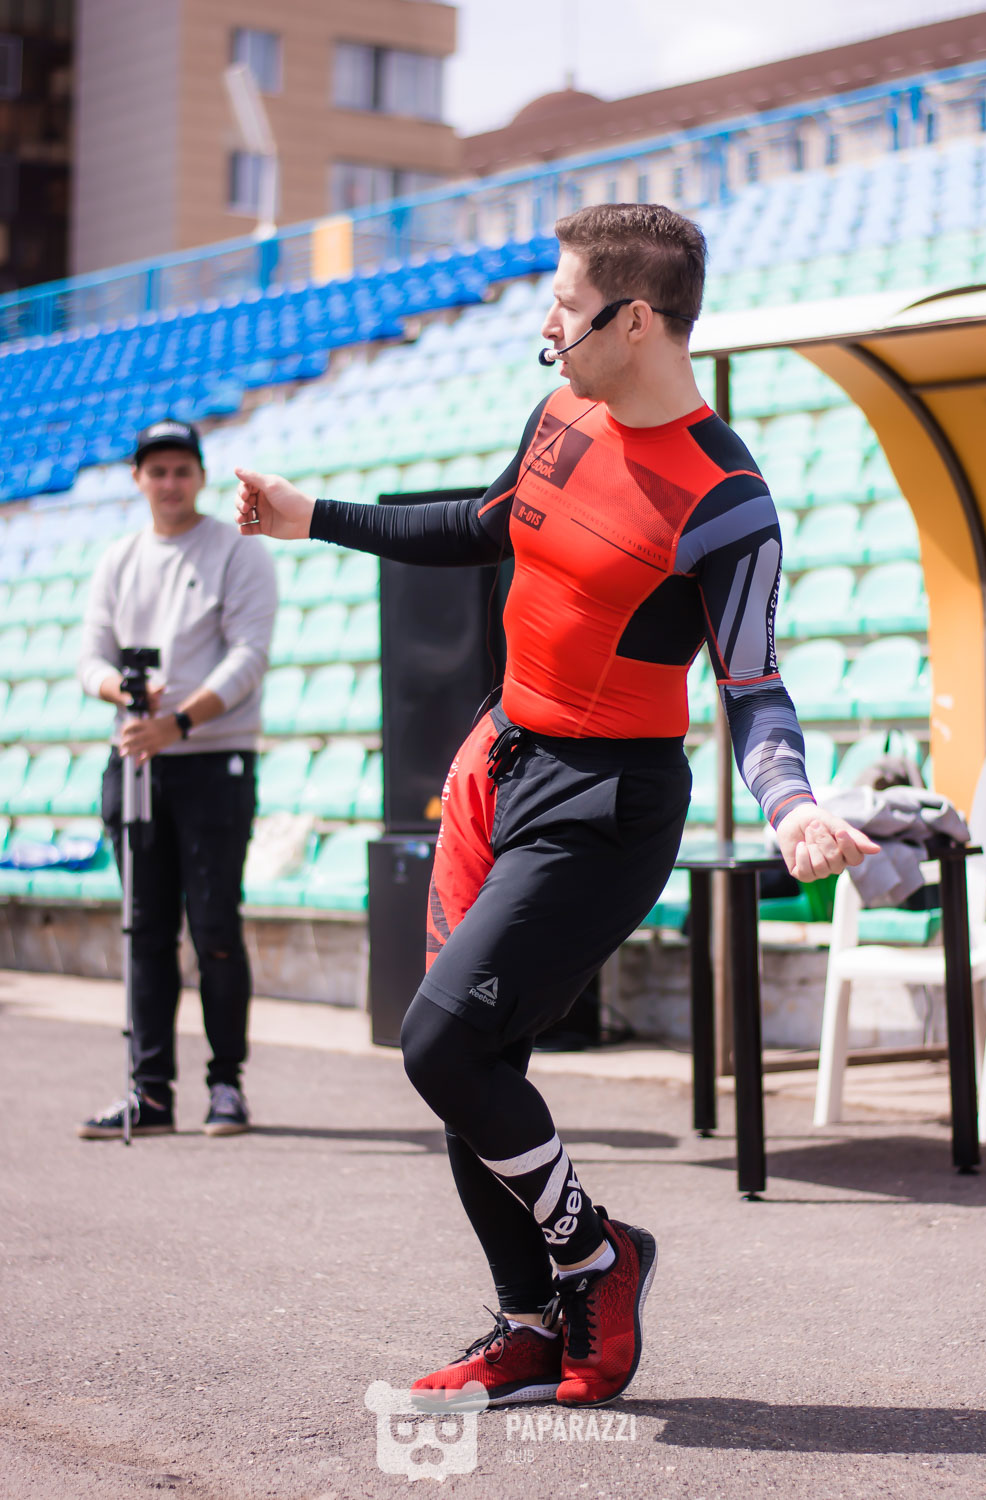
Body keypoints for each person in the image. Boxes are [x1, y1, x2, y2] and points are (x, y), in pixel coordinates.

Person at [233, 204, 877, 1408]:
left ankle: (595, 1258)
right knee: (471, 1065)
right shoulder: (559, 412)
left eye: (566, 304)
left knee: (440, 1042)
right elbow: (481, 527)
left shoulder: (727, 500)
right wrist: (310, 517)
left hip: (606, 805)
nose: (547, 323)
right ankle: (530, 1326)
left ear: (634, 320)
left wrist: (790, 804)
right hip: (502, 762)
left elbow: (752, 685)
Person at [77, 418, 278, 1140]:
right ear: (137, 478)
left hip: (213, 762)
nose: (169, 482)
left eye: (180, 469)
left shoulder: (237, 549)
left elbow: (249, 656)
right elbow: (90, 658)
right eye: (156, 470)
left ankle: (227, 1086)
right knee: (146, 930)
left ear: (199, 475)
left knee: (215, 925)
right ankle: (149, 1092)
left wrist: (181, 721)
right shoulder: (119, 559)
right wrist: (124, 694)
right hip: (135, 760)